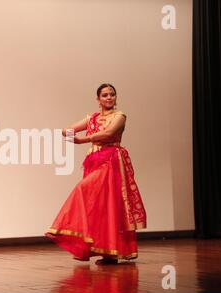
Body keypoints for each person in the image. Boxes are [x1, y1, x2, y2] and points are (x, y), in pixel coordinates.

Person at [46, 83, 146, 264]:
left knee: (102, 199)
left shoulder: (119, 116)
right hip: (94, 160)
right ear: (98, 99)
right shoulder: (91, 118)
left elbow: (108, 133)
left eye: (112, 95)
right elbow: (67, 129)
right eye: (105, 95)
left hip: (111, 161)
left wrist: (82, 140)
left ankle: (108, 250)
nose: (109, 98)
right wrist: (67, 134)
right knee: (100, 206)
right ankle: (107, 252)